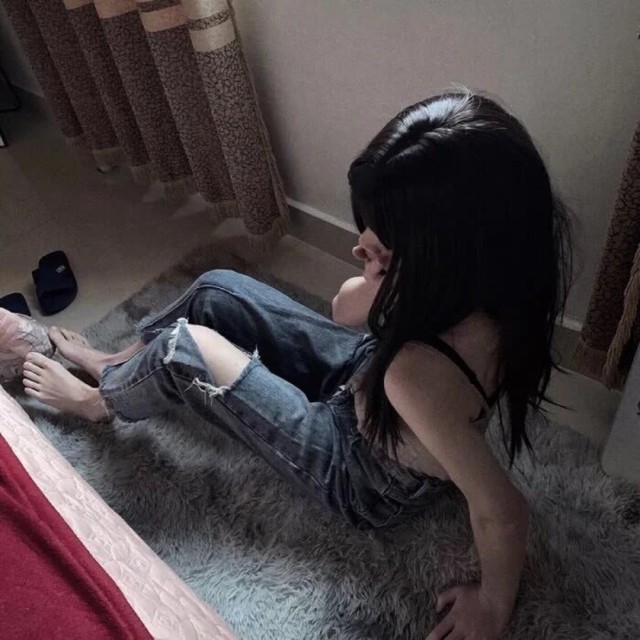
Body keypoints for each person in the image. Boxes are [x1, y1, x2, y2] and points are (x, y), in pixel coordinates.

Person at [1, 89, 571, 640]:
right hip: (367, 381)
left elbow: (502, 509)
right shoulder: (493, 291)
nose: (361, 246)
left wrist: (493, 605)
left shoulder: (418, 375)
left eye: (381, 246)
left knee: (186, 349)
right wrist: (384, 278)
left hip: (358, 471)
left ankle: (98, 402)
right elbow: (343, 311)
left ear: (438, 260)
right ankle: (114, 362)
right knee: (216, 289)